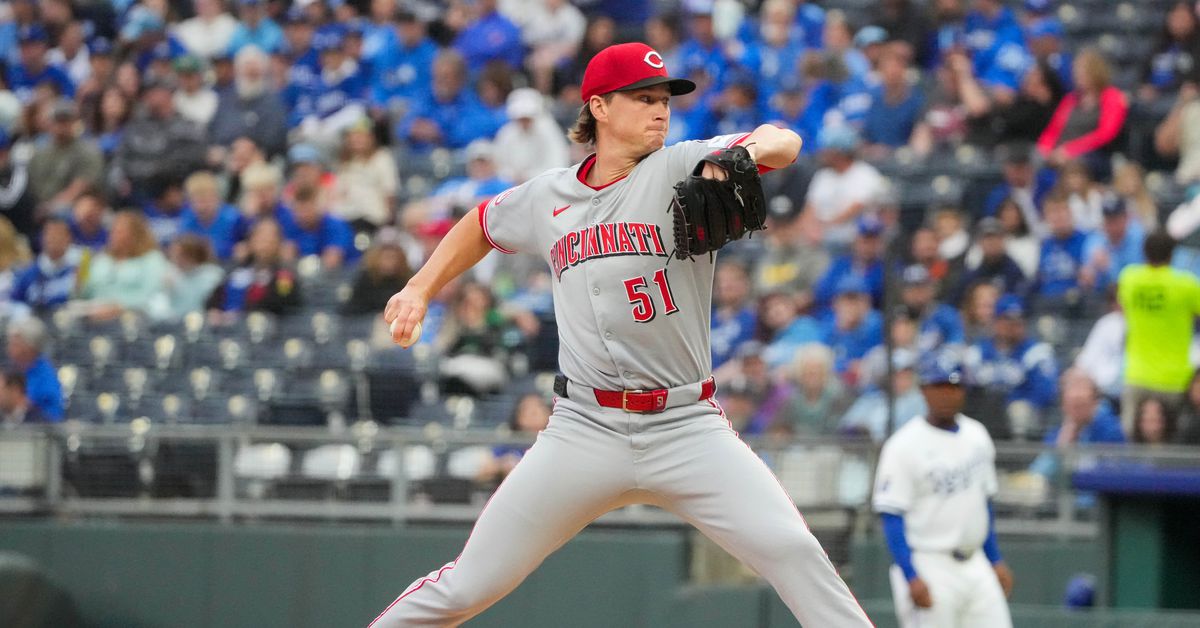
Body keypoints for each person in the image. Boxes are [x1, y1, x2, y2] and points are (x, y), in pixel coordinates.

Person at [372, 42, 873, 627]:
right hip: (584, 428)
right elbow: (482, 223)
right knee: (470, 585)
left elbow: (785, 141)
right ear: (599, 108)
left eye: (664, 100)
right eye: (643, 99)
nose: (660, 111)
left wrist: (743, 155)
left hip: (687, 425)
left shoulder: (682, 162)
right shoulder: (549, 197)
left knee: (794, 552)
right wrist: (420, 287)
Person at [873, 354, 1014, 628]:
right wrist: (910, 575)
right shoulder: (903, 445)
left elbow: (984, 505)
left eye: (954, 386)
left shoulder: (977, 435)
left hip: (976, 562)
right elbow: (891, 516)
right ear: (924, 390)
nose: (948, 394)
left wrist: (995, 558)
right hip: (929, 562)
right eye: (940, 386)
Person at [1116, 229, 1200, 435]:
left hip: (1136, 375)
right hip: (1174, 379)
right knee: (1172, 446)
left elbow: (1123, 305)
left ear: (1144, 253)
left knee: (1131, 442)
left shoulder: (1129, 278)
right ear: (1172, 255)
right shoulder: (1185, 285)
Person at [965, 294, 1059, 437]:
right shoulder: (977, 352)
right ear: (996, 322)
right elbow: (965, 387)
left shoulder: (1037, 352)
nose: (1013, 326)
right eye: (1007, 320)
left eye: (1018, 321)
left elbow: (1045, 393)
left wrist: (1007, 401)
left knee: (1019, 411)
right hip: (983, 414)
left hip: (1020, 416)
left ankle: (1018, 457)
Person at [1036, 48, 1128, 177]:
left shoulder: (1112, 96)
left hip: (1094, 154)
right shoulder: (1070, 99)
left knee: (1075, 165)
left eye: (1082, 72)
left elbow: (1106, 134)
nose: (1077, 76)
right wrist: (1044, 149)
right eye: (1076, 71)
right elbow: (1053, 129)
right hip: (1059, 152)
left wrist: (1070, 150)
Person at [78, 210, 172, 320]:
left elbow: (152, 294)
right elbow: (85, 294)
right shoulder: (102, 260)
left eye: (120, 231)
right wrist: (79, 283)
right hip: (93, 317)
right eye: (113, 231)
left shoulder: (152, 259)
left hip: (135, 319)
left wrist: (121, 307)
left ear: (136, 234)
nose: (114, 236)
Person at [207, 218, 301, 317]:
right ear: (250, 242)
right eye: (260, 238)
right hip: (225, 327)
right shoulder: (237, 271)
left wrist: (241, 314)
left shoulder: (285, 275)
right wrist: (215, 310)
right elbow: (214, 299)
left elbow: (283, 302)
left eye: (270, 239)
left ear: (278, 243)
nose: (265, 244)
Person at [27, 100, 104, 219]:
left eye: (66, 121)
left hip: (73, 206)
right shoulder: (39, 152)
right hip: (40, 203)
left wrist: (52, 206)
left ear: (74, 123)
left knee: (65, 212)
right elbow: (32, 184)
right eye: (58, 121)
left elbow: (81, 186)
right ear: (50, 123)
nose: (61, 126)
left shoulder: (87, 150)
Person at [209, 46, 288, 158]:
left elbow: (274, 139)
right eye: (246, 68)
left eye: (255, 70)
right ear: (237, 71)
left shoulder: (273, 102)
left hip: (260, 158)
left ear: (263, 71)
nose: (251, 72)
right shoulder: (225, 99)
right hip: (225, 158)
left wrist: (249, 148)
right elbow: (215, 131)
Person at [331, 118, 398, 232]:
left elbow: (389, 191)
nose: (357, 139)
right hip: (346, 216)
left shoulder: (382, 158)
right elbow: (339, 192)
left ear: (371, 137)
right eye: (353, 136)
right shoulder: (345, 162)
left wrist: (389, 221)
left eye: (361, 136)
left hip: (373, 217)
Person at [476, 393, 553, 486]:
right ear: (518, 416)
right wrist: (502, 465)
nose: (533, 414)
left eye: (538, 408)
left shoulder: (553, 443)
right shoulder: (511, 442)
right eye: (526, 410)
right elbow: (482, 473)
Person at [10, 218, 80, 314]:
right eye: (50, 235)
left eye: (60, 235)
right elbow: (15, 301)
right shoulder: (29, 272)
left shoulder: (79, 270)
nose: (55, 239)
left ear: (69, 238)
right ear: (42, 239)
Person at [152, 234, 226, 321]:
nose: (173, 258)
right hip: (172, 321)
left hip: (201, 321)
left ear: (191, 255)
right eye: (172, 253)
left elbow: (202, 305)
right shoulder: (171, 272)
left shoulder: (213, 275)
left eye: (178, 255)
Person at [342, 228, 412, 317]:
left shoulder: (406, 279)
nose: (390, 262)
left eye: (394, 257)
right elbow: (351, 310)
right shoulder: (365, 278)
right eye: (386, 257)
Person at [5, 317, 63, 421]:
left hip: (38, 429)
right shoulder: (12, 368)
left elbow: (51, 414)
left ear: (29, 347)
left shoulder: (46, 375)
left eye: (15, 344)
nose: (9, 348)